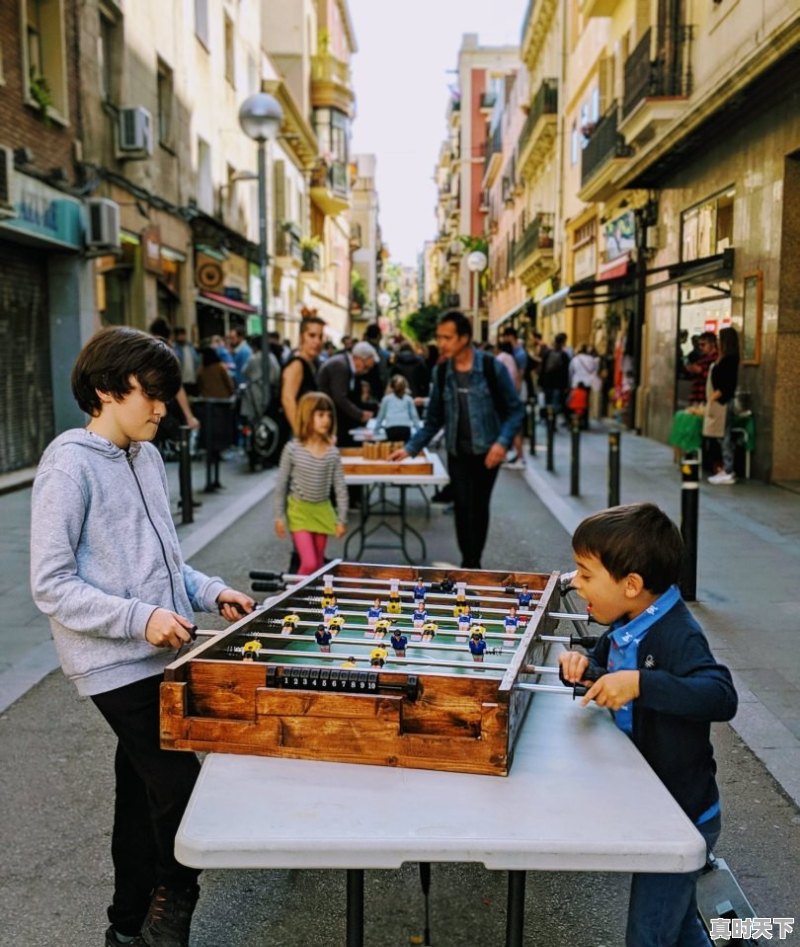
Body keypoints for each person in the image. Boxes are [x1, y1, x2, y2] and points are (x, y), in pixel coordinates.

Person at [29, 326, 255, 947]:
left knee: (140, 792)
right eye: (149, 393)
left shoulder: (147, 456)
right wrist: (139, 617)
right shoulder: (67, 465)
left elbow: (163, 563)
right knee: (180, 783)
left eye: (165, 392)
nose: (162, 406)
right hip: (112, 661)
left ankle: (125, 925)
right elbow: (51, 584)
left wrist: (210, 591)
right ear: (105, 390)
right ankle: (173, 905)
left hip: (159, 651)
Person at [558, 503, 737, 947]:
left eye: (585, 573)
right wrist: (583, 666)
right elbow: (606, 662)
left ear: (632, 585)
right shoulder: (628, 619)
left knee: (649, 935)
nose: (575, 583)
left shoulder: (676, 633)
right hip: (653, 804)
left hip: (680, 815)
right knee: (676, 927)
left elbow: (720, 693)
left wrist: (641, 683)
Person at [390, 310, 524, 569]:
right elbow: (433, 420)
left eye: (447, 337)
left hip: (488, 452)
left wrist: (501, 443)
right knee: (463, 508)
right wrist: (410, 448)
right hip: (457, 453)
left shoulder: (490, 367)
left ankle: (473, 561)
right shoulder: (441, 373)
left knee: (479, 507)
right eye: (439, 337)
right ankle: (469, 563)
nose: (441, 343)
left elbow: (515, 409)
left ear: (464, 338)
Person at [273, 391, 348, 575]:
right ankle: (292, 599)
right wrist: (279, 516)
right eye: (320, 415)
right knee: (309, 563)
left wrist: (341, 519)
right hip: (299, 511)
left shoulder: (332, 453)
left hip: (322, 510)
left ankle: (312, 602)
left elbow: (340, 487)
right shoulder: (292, 449)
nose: (326, 420)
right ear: (307, 416)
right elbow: (281, 484)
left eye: (329, 416)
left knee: (319, 565)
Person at [317, 341, 378, 448]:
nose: (365, 371)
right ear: (358, 359)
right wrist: (359, 414)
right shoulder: (341, 366)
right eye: (365, 367)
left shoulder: (345, 365)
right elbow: (340, 397)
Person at [705, 326, 740, 485]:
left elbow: (727, 384)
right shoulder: (723, 358)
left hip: (723, 402)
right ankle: (725, 469)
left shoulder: (730, 360)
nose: (718, 342)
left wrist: (714, 396)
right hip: (719, 402)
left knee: (724, 437)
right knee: (721, 436)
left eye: (720, 338)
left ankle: (728, 469)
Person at [281, 316, 325, 436]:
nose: (317, 341)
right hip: (292, 433)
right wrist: (300, 433)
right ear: (301, 338)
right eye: (312, 335)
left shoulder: (311, 363)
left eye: (320, 337)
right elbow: (287, 399)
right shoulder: (297, 364)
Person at [374, 374, 422, 442]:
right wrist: (419, 430)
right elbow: (414, 416)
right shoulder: (409, 399)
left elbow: (381, 416)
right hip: (405, 427)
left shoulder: (386, 399)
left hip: (391, 428)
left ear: (391, 386)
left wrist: (376, 430)